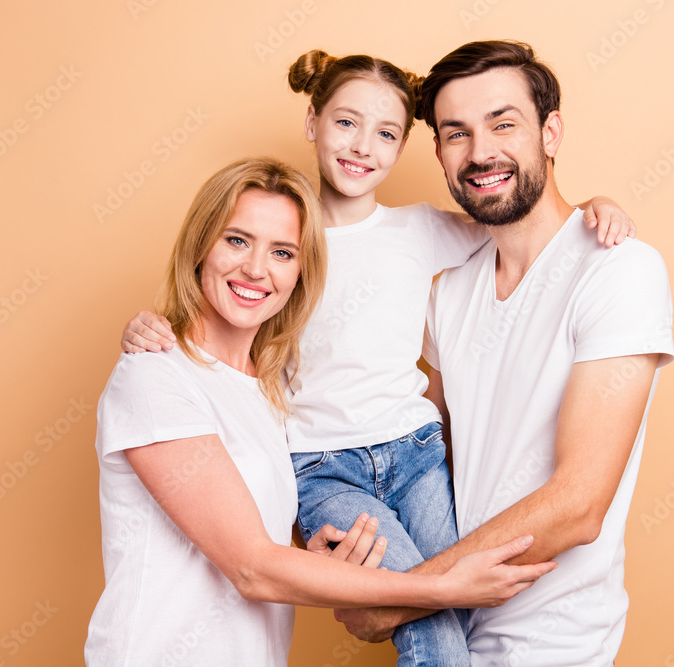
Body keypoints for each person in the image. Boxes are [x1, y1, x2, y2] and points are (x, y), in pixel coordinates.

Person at [119, 50, 636, 666]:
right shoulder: (287, 242)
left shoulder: (419, 229)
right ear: (311, 121)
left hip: (416, 453)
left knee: (459, 607)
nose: (362, 146)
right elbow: (229, 318)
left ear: (403, 146)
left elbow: (527, 220)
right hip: (323, 468)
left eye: (386, 133)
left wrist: (593, 209)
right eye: (345, 123)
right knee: (433, 618)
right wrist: (151, 325)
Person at [84, 156, 556, 667]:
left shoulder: (270, 394)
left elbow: (253, 540)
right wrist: (446, 587)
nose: (256, 269)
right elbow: (251, 568)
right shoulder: (156, 374)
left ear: (301, 271)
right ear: (200, 245)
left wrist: (316, 559)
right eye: (237, 240)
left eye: (282, 252)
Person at [331, 41, 674, 667]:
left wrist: (399, 600)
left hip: (553, 643)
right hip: (448, 637)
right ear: (436, 151)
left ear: (551, 131)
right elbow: (416, 449)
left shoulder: (618, 270)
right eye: (455, 133)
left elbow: (579, 506)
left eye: (503, 123)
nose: (481, 151)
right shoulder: (450, 287)